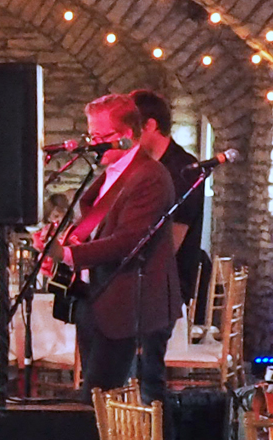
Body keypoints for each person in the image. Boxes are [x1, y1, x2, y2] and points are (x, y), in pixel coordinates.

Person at [60, 92, 184, 402]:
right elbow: (96, 229)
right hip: (96, 297)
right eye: (91, 135)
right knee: (98, 399)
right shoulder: (113, 174)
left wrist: (69, 254)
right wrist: (63, 242)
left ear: (127, 135)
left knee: (100, 398)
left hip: (128, 304)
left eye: (101, 137)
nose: (94, 143)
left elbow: (128, 240)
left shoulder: (149, 176)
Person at [131, 90, 208, 314]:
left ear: (150, 125)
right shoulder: (141, 165)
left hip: (165, 289)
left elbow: (170, 243)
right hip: (138, 283)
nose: (127, 137)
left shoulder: (184, 170)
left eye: (131, 128)